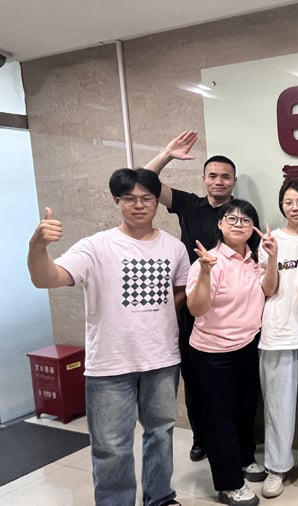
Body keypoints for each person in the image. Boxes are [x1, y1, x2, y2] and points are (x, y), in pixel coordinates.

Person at [27, 168, 189, 506]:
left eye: (146, 198)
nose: (139, 205)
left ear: (156, 202)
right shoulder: (95, 246)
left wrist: (157, 313)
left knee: (160, 434)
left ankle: (160, 497)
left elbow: (180, 290)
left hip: (161, 360)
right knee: (112, 447)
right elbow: (47, 279)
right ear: (117, 201)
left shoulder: (174, 248)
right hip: (109, 365)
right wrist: (37, 247)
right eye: (130, 198)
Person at [145, 130, 237, 462]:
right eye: (213, 175)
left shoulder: (240, 212)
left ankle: (237, 439)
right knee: (194, 376)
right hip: (191, 303)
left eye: (225, 176)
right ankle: (201, 437)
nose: (218, 181)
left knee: (231, 379)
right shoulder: (188, 204)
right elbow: (145, 181)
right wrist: (166, 155)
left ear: (234, 181)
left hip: (230, 307)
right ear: (204, 179)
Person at [187, 199, 274, 506]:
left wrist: (273, 258)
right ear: (220, 224)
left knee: (245, 410)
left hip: (247, 346)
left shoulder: (253, 260)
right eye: (232, 219)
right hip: (212, 354)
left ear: (253, 228)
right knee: (219, 419)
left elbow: (268, 290)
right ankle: (228, 485)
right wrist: (205, 273)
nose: (239, 224)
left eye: (245, 220)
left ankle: (245, 458)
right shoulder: (208, 262)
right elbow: (197, 309)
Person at [257, 179, 298, 498]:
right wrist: (272, 257)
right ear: (281, 206)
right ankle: (276, 467)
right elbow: (268, 289)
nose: (295, 207)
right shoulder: (271, 240)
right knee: (278, 405)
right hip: (278, 332)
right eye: (288, 202)